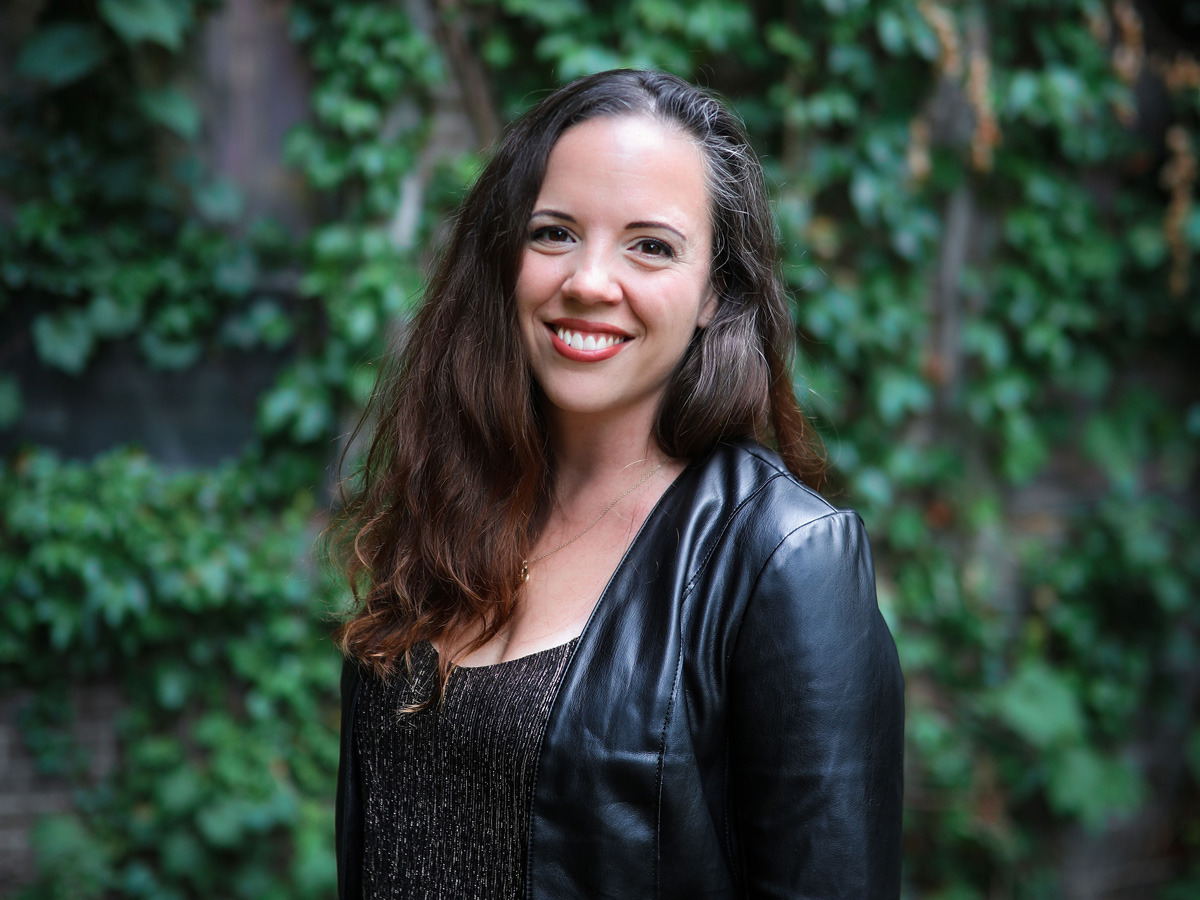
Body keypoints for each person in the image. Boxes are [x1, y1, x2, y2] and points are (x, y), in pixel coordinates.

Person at [332, 68, 904, 899]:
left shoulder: (784, 560)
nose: (589, 282)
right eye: (555, 233)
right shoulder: (453, 499)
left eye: (651, 246)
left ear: (715, 292)